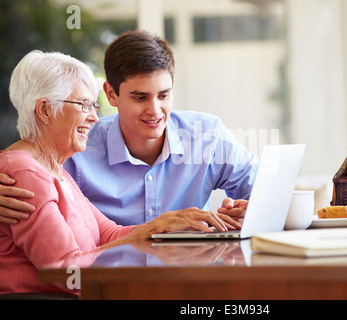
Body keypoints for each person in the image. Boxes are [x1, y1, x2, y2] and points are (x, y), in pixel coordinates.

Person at [0, 50, 240, 296]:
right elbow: (67, 272)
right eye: (84, 105)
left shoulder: (55, 169)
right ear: (45, 110)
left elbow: (109, 234)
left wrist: (164, 225)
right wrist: (150, 232)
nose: (94, 117)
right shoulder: (24, 171)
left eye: (93, 105)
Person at [0, 30, 258, 226]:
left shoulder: (207, 136)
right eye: (140, 97)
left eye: (164, 95)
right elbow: (23, 160)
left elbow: (266, 190)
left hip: (187, 279)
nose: (155, 110)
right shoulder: (79, 145)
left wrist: (254, 208)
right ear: (111, 95)